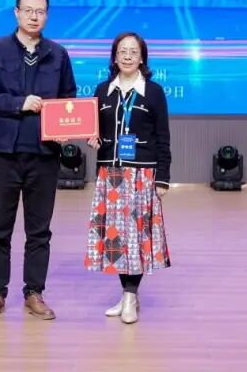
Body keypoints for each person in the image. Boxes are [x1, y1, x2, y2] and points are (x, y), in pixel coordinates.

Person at [0, 0, 77, 321]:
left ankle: (34, 292)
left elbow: (68, 97)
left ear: (47, 15)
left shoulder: (58, 54)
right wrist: (19, 103)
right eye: (28, 10)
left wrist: (67, 125)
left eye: (40, 11)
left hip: (44, 154)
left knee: (39, 231)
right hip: (3, 153)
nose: (34, 16)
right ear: (16, 12)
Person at [84, 31, 172, 324]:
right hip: (110, 174)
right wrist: (93, 139)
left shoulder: (154, 92)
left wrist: (163, 177)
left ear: (142, 58)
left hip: (141, 175)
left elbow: (163, 138)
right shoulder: (102, 90)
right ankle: (126, 295)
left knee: (136, 237)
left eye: (134, 51)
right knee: (117, 239)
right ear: (114, 56)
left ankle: (130, 296)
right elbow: (95, 130)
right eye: (122, 51)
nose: (128, 56)